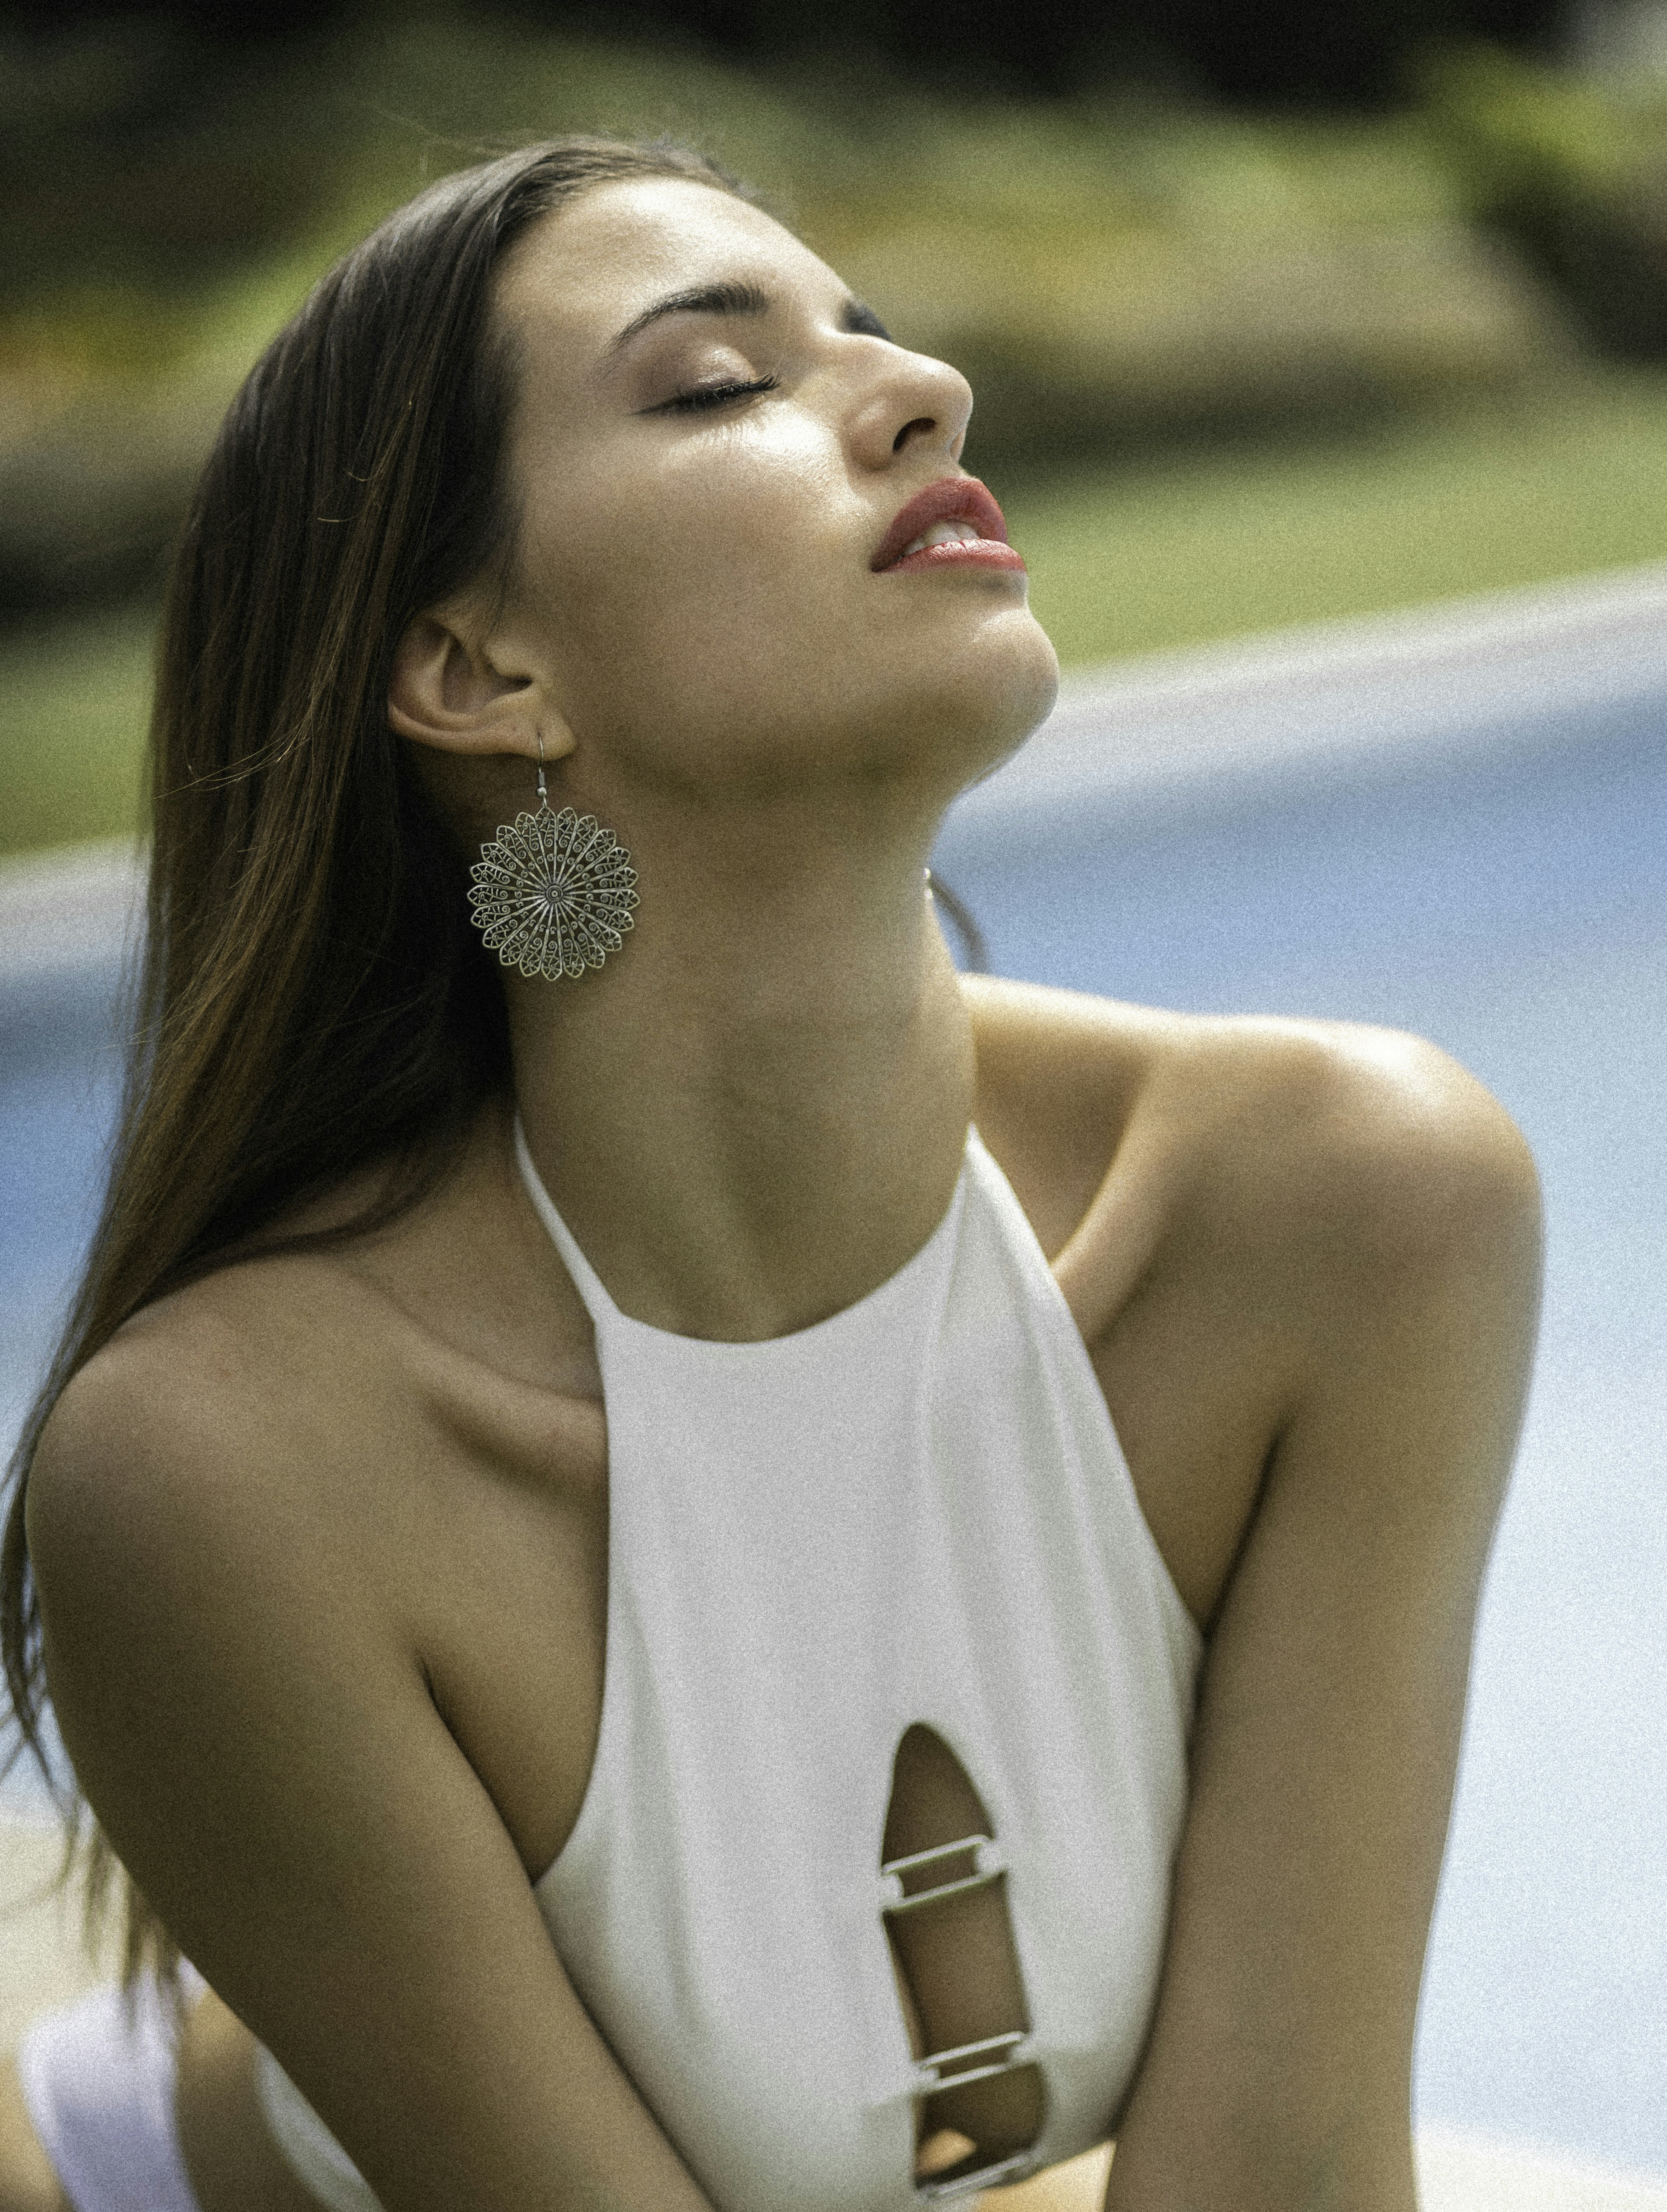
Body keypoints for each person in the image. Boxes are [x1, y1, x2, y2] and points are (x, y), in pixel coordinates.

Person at [0, 134, 1541, 2212]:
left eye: (875, 337)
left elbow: (1283, 2178)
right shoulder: (232, 1465)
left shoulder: (1343, 1204)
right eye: (719, 384)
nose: (925, 396)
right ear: (479, 670)